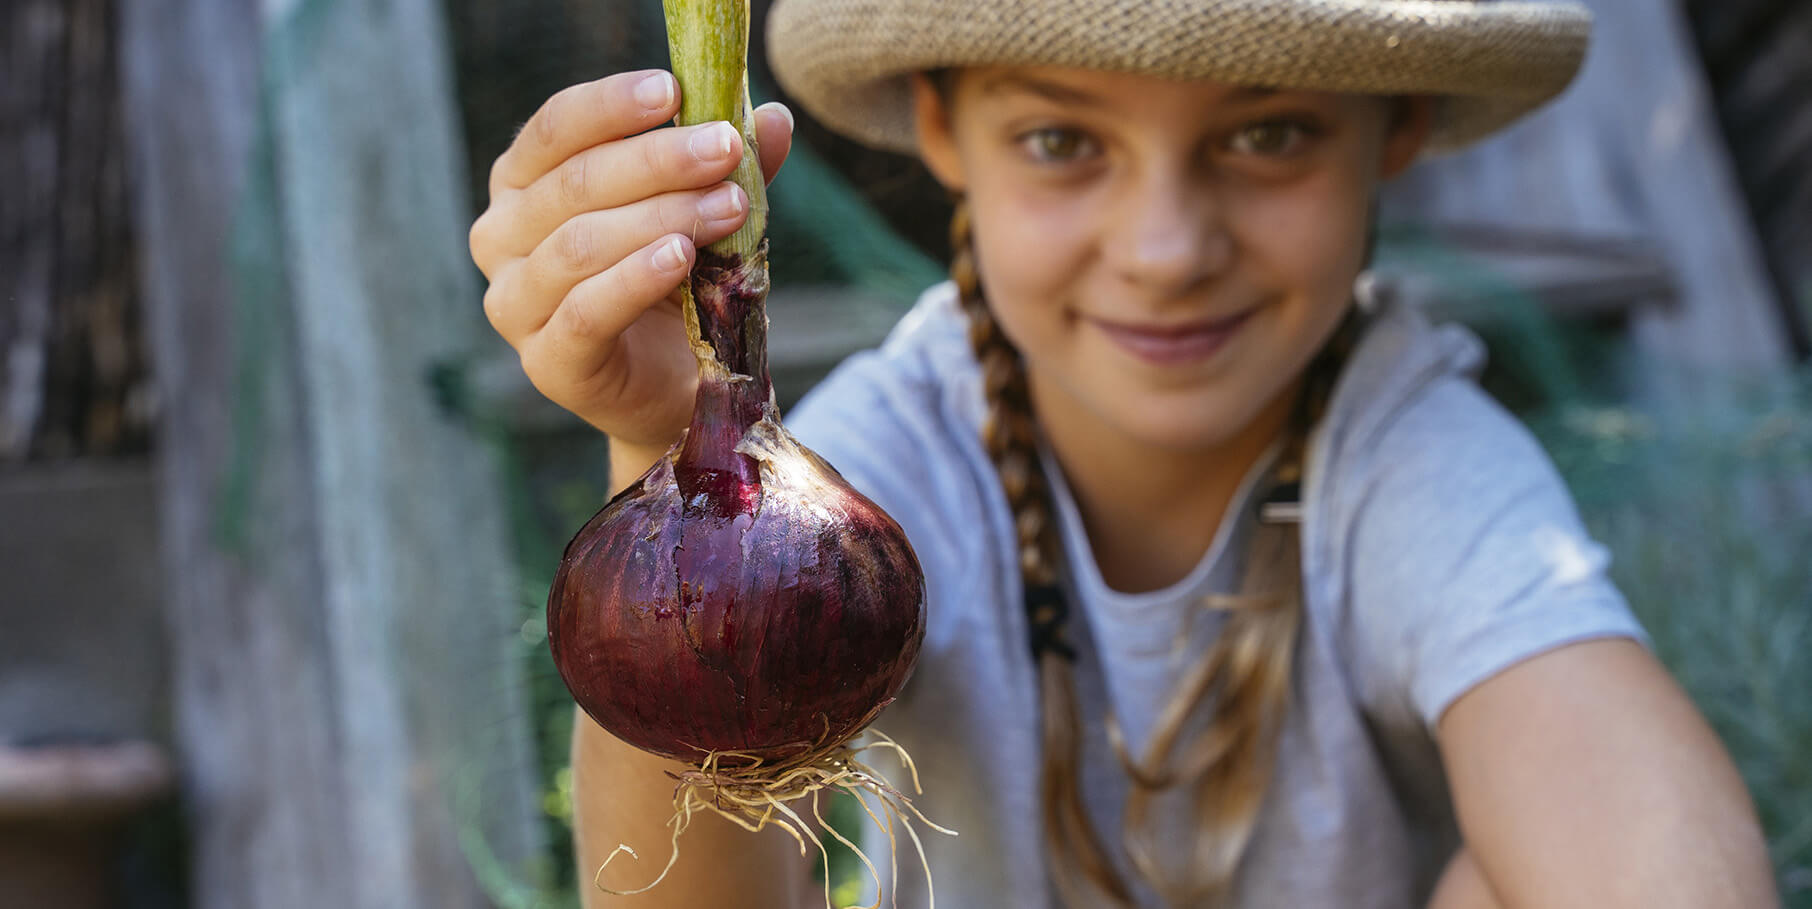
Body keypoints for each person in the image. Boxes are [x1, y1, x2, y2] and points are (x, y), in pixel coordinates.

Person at [467, 0, 1779, 905]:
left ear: (1401, 127)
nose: (1165, 248)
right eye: (1063, 140)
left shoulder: (1409, 457)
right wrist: (667, 442)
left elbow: (1650, 854)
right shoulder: (902, 451)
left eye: (1267, 134)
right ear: (943, 130)